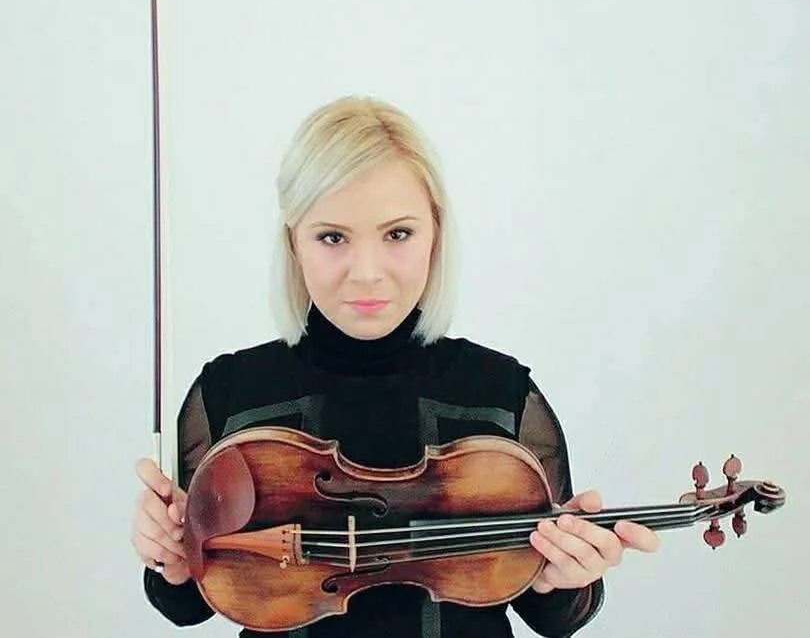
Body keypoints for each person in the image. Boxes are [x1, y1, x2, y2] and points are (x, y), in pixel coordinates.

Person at [131, 95, 659, 637]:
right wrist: (171, 556)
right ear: (293, 241)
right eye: (332, 237)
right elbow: (188, 604)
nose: (366, 273)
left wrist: (562, 576)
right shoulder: (228, 393)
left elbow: (552, 616)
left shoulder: (501, 391)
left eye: (397, 234)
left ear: (435, 233)